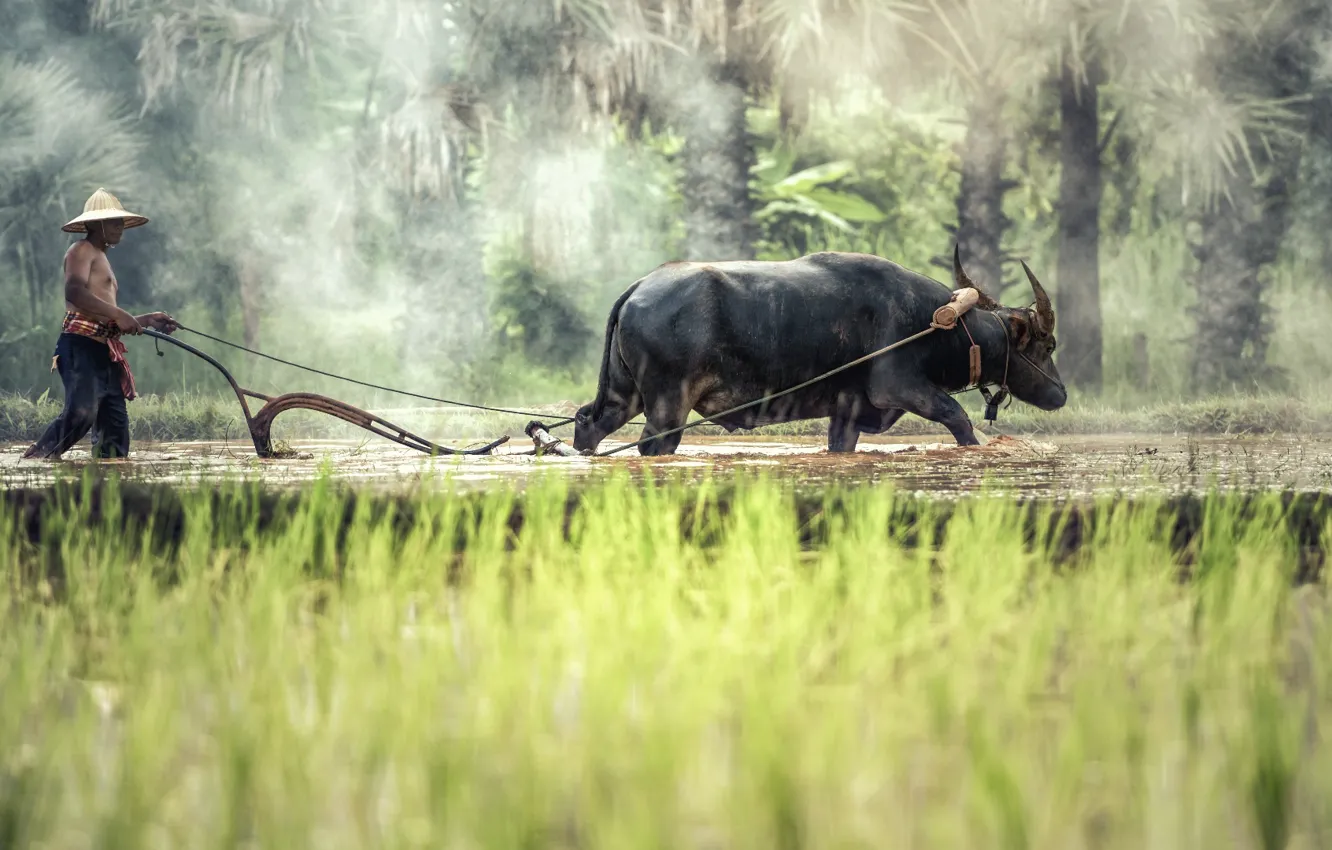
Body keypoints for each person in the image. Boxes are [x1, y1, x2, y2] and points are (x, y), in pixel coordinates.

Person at [22, 188, 180, 460]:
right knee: (81, 413)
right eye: (114, 222)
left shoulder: (103, 258)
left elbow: (105, 317)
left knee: (115, 434)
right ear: (96, 224)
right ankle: (33, 465)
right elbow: (74, 292)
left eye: (121, 222)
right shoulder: (81, 249)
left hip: (103, 352)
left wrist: (147, 320)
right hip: (79, 348)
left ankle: (106, 487)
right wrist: (119, 314)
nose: (120, 228)